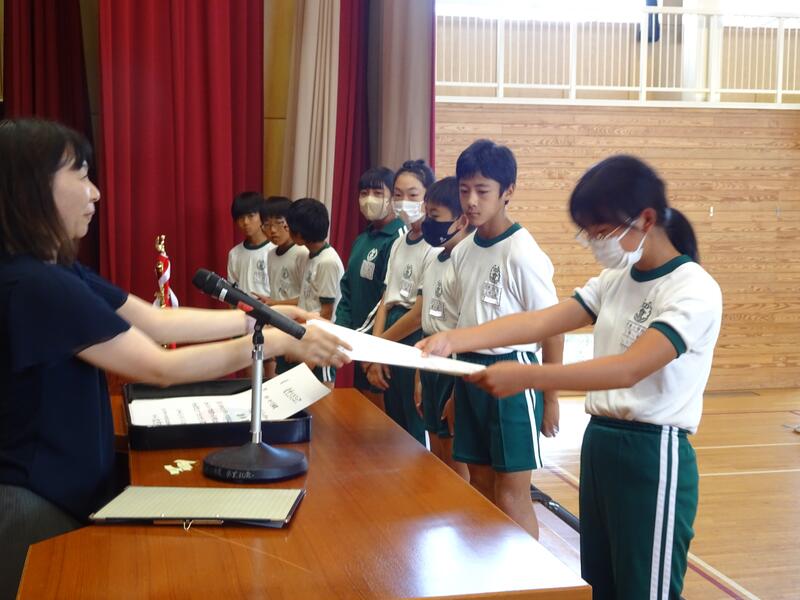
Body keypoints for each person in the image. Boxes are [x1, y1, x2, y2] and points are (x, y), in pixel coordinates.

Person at [0, 118, 350, 599]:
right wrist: (279, 341)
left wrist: (269, 316)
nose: (95, 192)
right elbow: (158, 366)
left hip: (56, 488)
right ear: (33, 187)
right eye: (80, 174)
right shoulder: (37, 285)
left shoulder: (53, 270)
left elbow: (159, 322)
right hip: (34, 500)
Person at [419, 155, 722, 599]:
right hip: (600, 443)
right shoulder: (614, 280)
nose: (595, 243)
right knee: (600, 581)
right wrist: (454, 338)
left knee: (642, 588)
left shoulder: (692, 288)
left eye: (601, 231)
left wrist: (532, 377)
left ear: (646, 219)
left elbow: (629, 368)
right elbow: (541, 321)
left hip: (652, 451)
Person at [418, 139, 563, 539]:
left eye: (482, 191)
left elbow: (553, 326)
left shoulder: (523, 252)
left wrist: (550, 399)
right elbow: (465, 322)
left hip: (513, 376)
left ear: (507, 192)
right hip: (469, 375)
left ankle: (526, 573)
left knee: (512, 495)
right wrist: (456, 389)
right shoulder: (464, 251)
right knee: (479, 487)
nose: (471, 201)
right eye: (465, 190)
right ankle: (486, 567)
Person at [366, 160, 436, 445]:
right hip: (390, 333)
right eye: (398, 195)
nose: (404, 201)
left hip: (412, 335)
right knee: (395, 427)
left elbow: (419, 314)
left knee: (415, 428)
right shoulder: (398, 242)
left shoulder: (434, 245)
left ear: (427, 198)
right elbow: (385, 299)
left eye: (412, 195)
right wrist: (375, 349)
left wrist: (380, 347)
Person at [334, 167, 405, 407]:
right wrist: (341, 331)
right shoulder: (362, 239)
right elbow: (347, 289)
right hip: (359, 342)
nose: (369, 199)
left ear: (392, 197)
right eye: (364, 193)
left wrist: (367, 343)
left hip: (381, 345)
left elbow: (388, 299)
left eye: (377, 192)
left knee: (382, 418)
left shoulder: (398, 238)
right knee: (364, 413)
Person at [416, 176, 471, 479]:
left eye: (435, 216)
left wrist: (457, 391)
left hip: (452, 363)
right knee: (436, 449)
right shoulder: (434, 259)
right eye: (427, 214)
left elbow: (466, 326)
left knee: (453, 455)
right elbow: (426, 317)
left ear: (460, 220)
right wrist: (419, 375)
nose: (428, 223)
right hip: (430, 362)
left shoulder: (465, 262)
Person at [283, 197, 345, 388]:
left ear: (300, 235)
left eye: (288, 227)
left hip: (321, 340)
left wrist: (308, 357)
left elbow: (327, 312)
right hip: (307, 335)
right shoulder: (310, 256)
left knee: (322, 394)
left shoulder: (327, 262)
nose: (286, 229)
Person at [260, 196, 309, 306]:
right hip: (276, 314)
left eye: (278, 223)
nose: (272, 230)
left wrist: (275, 303)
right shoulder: (271, 255)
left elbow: (308, 298)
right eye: (267, 225)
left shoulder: (303, 253)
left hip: (297, 315)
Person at [227, 191, 274, 298]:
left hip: (272, 307)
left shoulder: (275, 250)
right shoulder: (234, 253)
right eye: (241, 218)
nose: (245, 222)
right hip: (242, 308)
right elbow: (232, 292)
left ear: (262, 216)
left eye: (251, 216)